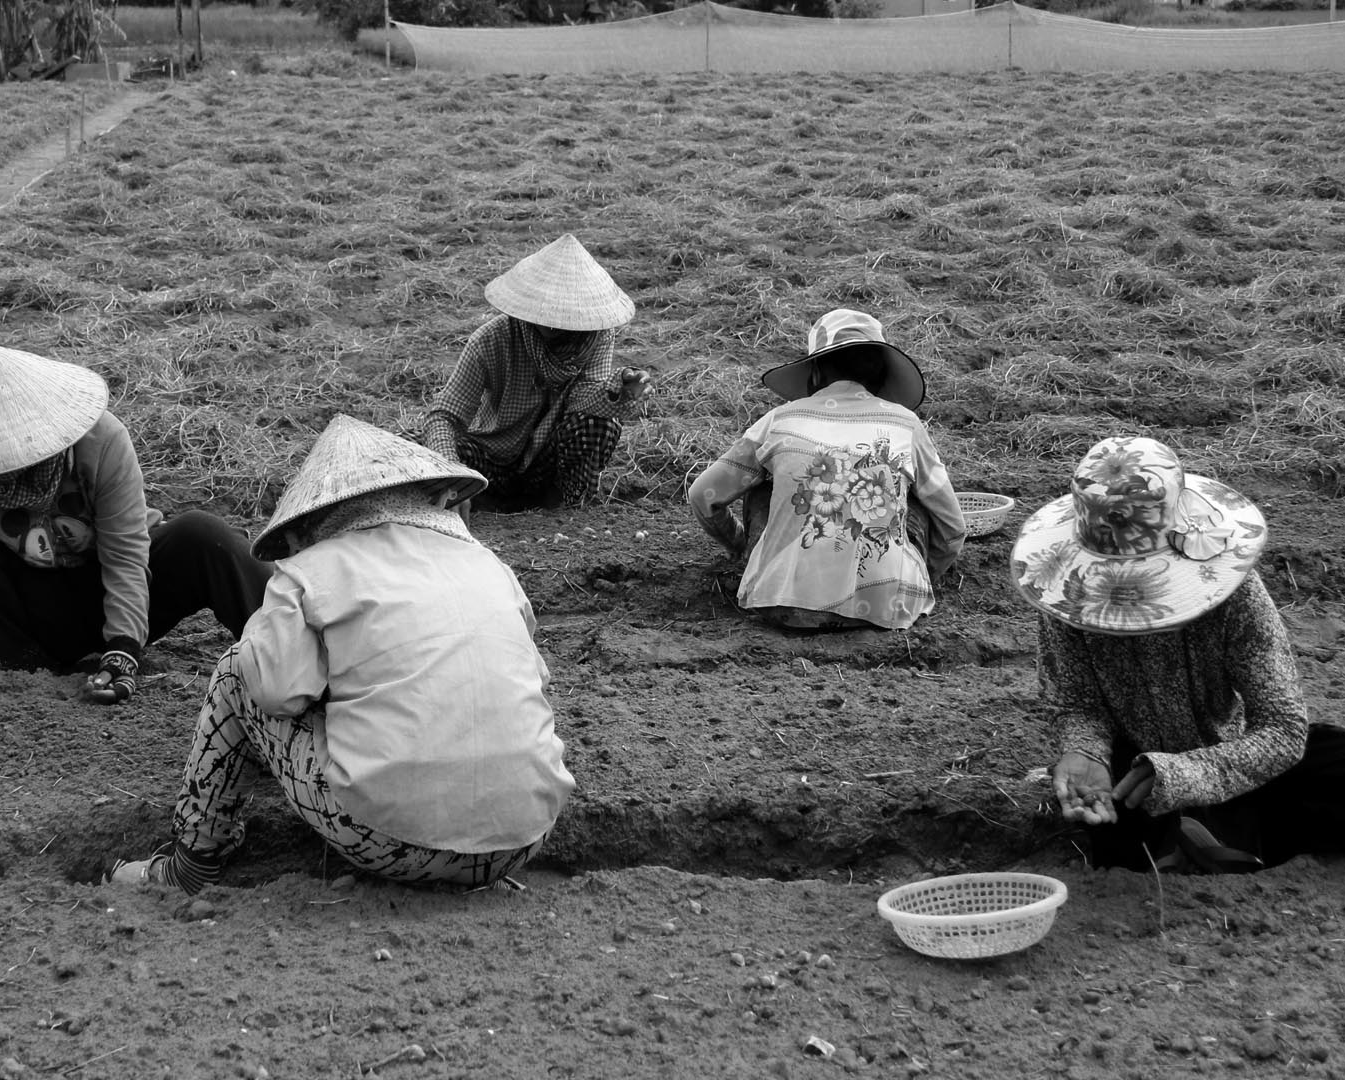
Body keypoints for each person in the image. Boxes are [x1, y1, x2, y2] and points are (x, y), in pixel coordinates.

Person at [108, 414, 574, 894]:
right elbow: (535, 679)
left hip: (388, 841)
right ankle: (475, 852)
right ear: (425, 496)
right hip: (524, 836)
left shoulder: (309, 572)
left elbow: (274, 694)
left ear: (314, 518)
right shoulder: (488, 565)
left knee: (236, 672)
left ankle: (193, 861)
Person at [1014, 435, 1345, 873]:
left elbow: (1282, 728)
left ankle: (1209, 837)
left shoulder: (1236, 595)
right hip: (1132, 771)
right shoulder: (1066, 599)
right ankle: (1223, 841)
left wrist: (1184, 775)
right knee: (1113, 825)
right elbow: (1078, 703)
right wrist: (1085, 753)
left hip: (1235, 755)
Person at [0, 344, 273, 712]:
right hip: (33, 614)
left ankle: (286, 646)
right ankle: (20, 672)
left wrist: (124, 648)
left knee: (203, 535)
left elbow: (126, 555)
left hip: (124, 591)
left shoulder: (102, 442)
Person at [687, 309, 965, 631]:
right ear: (880, 376)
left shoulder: (780, 421)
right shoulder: (905, 424)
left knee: (765, 485)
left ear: (815, 372)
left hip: (781, 604)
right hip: (888, 608)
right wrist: (922, 575)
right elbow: (953, 526)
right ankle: (890, 578)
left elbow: (703, 495)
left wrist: (739, 545)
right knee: (908, 493)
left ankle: (781, 574)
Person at [422, 233, 651, 511]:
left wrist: (619, 392)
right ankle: (482, 499)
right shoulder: (491, 340)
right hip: (493, 459)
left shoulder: (596, 337)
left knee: (599, 425)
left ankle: (560, 508)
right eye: (550, 319)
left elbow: (582, 398)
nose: (559, 328)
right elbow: (446, 416)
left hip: (549, 466)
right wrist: (453, 479)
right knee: (418, 447)